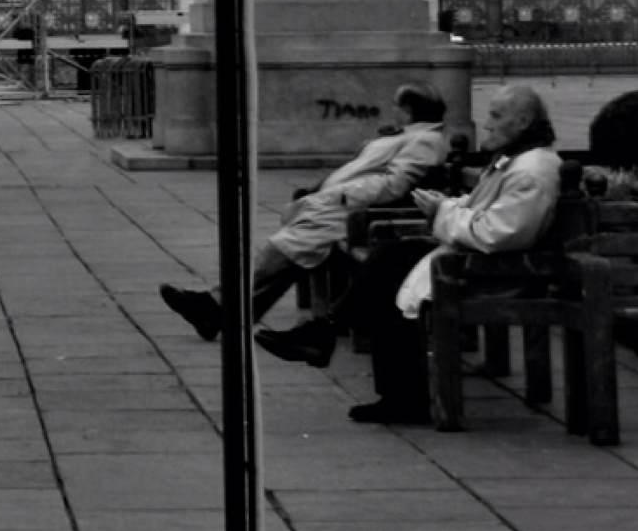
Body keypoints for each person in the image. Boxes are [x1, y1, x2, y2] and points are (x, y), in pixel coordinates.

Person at [255, 84, 564, 425]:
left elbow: (497, 233)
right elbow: (484, 212)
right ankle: (330, 340)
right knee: (389, 259)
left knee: (389, 272)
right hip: (477, 261)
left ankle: (340, 348)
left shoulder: (530, 170)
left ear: (522, 122)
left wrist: (443, 212)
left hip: (493, 272)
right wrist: (445, 206)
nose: (486, 123)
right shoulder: (518, 161)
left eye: (495, 115)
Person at [160, 87, 453, 343]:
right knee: (291, 255)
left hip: (355, 213)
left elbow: (395, 183)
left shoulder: (425, 140)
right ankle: (218, 313)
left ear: (409, 110)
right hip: (342, 209)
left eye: (396, 105)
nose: (392, 110)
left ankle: (214, 304)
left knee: (284, 249)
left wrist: (342, 195)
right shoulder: (412, 135)